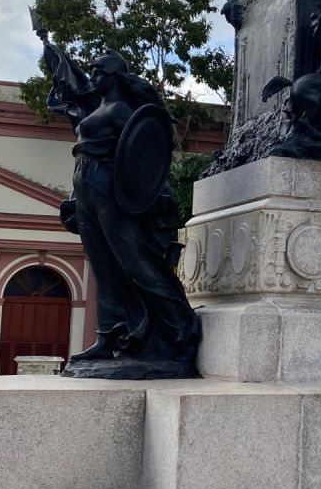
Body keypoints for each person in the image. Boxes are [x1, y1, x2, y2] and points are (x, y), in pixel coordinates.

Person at [37, 31, 200, 377]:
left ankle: (178, 325)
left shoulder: (124, 111)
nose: (92, 76)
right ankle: (108, 335)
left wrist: (157, 198)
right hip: (85, 187)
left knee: (132, 260)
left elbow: (147, 154)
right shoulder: (99, 108)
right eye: (91, 71)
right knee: (103, 266)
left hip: (108, 188)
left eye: (98, 72)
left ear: (113, 77)